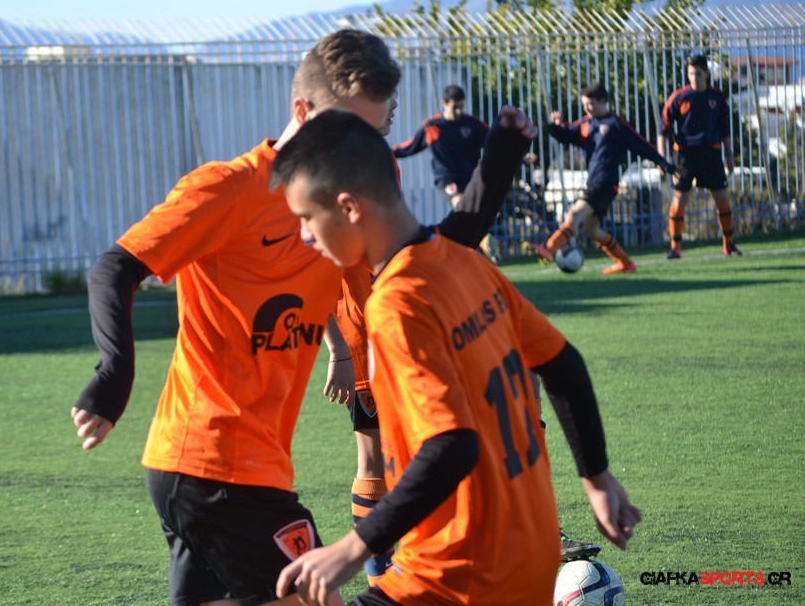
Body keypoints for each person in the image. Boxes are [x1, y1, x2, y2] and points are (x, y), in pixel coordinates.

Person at [69, 29, 528, 605]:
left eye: (373, 133)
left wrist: (498, 162)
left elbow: (427, 255)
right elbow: (115, 268)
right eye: (347, 128)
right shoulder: (228, 189)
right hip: (215, 463)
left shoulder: (351, 195)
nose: (359, 148)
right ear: (303, 113)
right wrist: (114, 373)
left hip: (236, 470)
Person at [271, 109, 642, 606]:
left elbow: (451, 444)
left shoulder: (395, 303)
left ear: (349, 208)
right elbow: (563, 365)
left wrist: (353, 548)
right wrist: (595, 477)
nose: (305, 237)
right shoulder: (469, 263)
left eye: (306, 219)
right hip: (528, 559)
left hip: (454, 573)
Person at [525, 82, 677, 274]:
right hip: (594, 182)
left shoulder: (615, 124)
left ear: (603, 101)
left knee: (574, 214)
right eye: (584, 105)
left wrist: (664, 164)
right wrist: (555, 126)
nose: (587, 109)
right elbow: (566, 135)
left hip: (605, 182)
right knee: (591, 230)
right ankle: (626, 263)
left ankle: (549, 249)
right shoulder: (585, 124)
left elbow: (641, 145)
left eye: (590, 104)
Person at [391, 84, 499, 262]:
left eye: (461, 107)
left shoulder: (472, 125)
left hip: (471, 178)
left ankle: (472, 250)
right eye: (454, 107)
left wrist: (521, 155)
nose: (458, 111)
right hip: (447, 179)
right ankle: (482, 241)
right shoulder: (432, 127)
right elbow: (410, 146)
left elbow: (494, 142)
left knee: (474, 212)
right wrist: (387, 151)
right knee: (461, 204)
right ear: (444, 103)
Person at [658, 54, 741, 258]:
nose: (694, 77)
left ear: (706, 74)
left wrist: (729, 154)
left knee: (721, 197)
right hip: (684, 155)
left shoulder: (717, 97)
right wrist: (661, 158)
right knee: (680, 198)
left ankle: (728, 244)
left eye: (698, 74)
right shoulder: (678, 97)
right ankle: (675, 247)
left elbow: (724, 128)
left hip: (711, 153)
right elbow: (663, 129)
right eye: (691, 74)